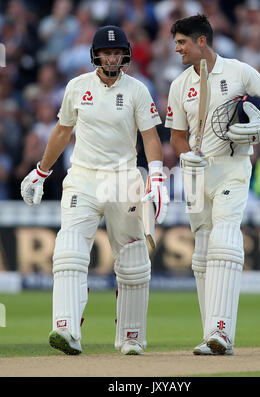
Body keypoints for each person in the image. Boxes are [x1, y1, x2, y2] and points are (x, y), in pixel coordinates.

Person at [20, 25, 169, 356]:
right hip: (83, 178)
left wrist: (156, 176)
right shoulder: (77, 87)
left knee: (132, 260)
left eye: (117, 52)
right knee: (69, 250)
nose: (113, 57)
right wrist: (41, 171)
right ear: (96, 55)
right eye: (107, 52)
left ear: (125, 55)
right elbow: (62, 131)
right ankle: (67, 330)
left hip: (123, 178)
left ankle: (131, 336)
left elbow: (150, 137)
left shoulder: (137, 90)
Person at [165, 14, 260, 355]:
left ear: (201, 41)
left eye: (182, 42)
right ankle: (211, 335)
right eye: (176, 43)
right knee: (202, 256)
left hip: (233, 167)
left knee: (224, 241)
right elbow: (177, 136)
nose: (177, 49)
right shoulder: (179, 85)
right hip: (196, 173)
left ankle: (222, 332)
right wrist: (184, 155)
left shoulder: (239, 71)